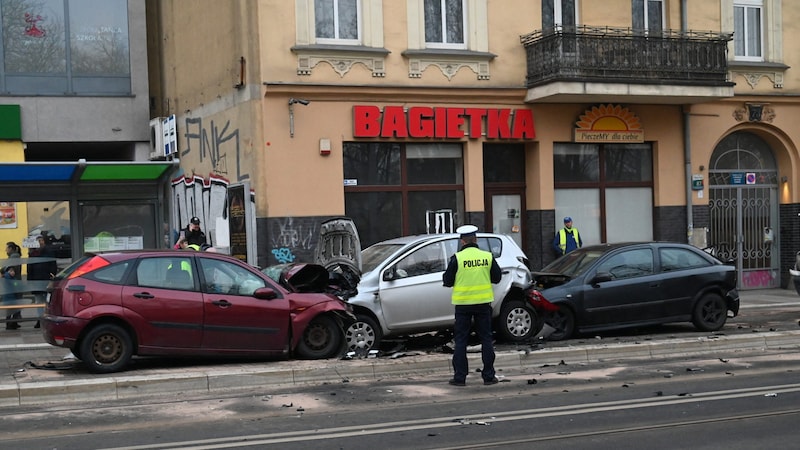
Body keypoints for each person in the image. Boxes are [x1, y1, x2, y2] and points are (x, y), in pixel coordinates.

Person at [442, 225, 502, 386]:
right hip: (483, 304)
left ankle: (460, 377)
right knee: (486, 340)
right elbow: (497, 278)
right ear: (475, 240)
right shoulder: (487, 257)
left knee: (461, 341)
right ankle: (489, 376)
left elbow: (447, 281)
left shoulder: (457, 258)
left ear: (462, 241)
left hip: (463, 305)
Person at [28, 234, 58, 328]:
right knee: (38, 302)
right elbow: (30, 269)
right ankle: (40, 319)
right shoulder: (32, 253)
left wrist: (52, 276)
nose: (40, 243)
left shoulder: (48, 252)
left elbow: (53, 265)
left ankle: (46, 319)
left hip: (46, 280)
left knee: (46, 301)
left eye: (41, 240)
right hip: (36, 281)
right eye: (38, 241)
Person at [1, 242, 23, 330]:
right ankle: (13, 322)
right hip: (15, 283)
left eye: (7, 248)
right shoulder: (14, 256)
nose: (5, 250)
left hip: (13, 284)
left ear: (11, 248)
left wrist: (3, 271)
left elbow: (7, 269)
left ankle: (10, 323)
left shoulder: (14, 257)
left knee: (12, 303)